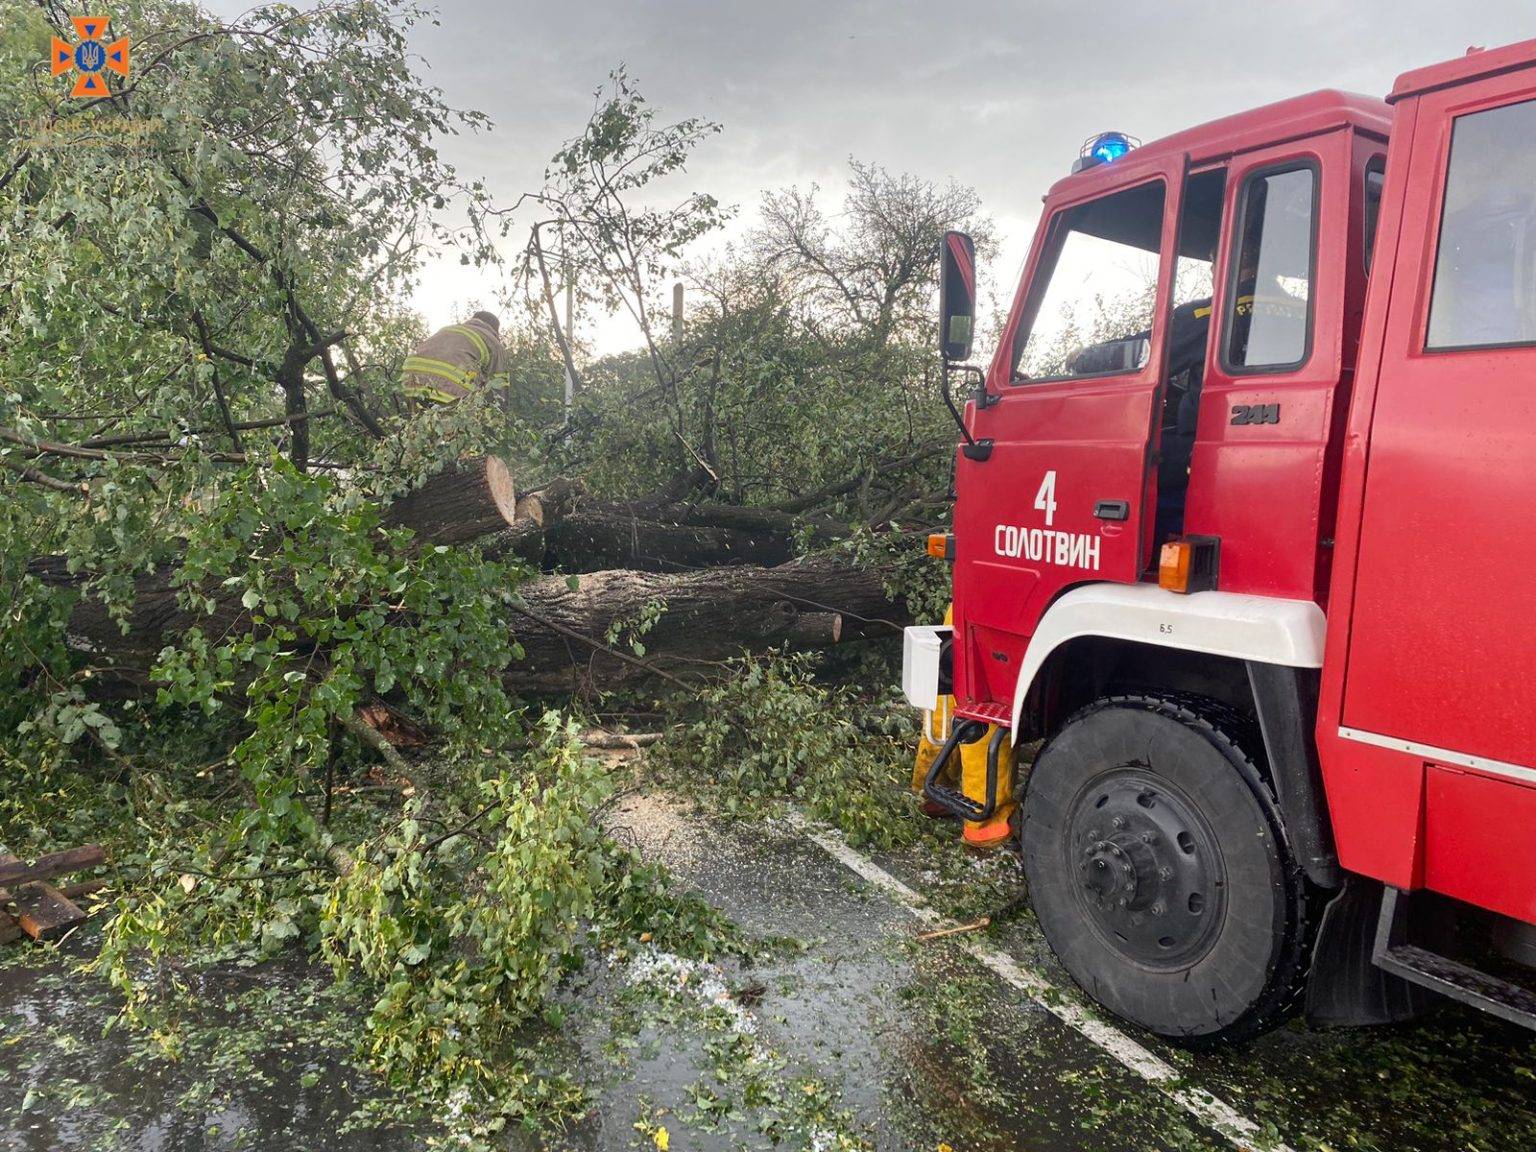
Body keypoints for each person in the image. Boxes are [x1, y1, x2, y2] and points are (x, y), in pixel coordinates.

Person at [402, 311, 506, 407]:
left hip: (412, 380)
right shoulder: (494, 343)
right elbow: (498, 386)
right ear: (495, 330)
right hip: (451, 389)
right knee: (451, 423)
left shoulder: (449, 329)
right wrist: (498, 415)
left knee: (419, 423)